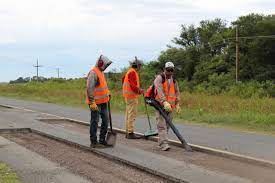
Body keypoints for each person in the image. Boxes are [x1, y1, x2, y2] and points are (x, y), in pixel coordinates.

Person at [153, 62, 181, 151]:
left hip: (170, 107)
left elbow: (177, 92)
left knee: (168, 126)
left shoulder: (174, 80)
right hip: (160, 105)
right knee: (161, 126)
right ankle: (164, 144)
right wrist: (164, 102)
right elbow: (159, 90)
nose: (170, 72)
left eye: (171, 70)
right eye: (168, 70)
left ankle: (161, 142)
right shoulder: (159, 78)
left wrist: (177, 103)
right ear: (165, 70)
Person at [86, 55, 112, 147]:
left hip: (104, 102)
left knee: (105, 120)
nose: (106, 67)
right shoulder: (93, 73)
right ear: (100, 63)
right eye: (105, 65)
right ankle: (93, 142)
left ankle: (102, 139)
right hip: (95, 103)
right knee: (95, 121)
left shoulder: (101, 72)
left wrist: (108, 92)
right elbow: (89, 88)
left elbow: (102, 86)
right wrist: (92, 102)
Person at [122, 57, 144, 139]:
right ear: (137, 66)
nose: (140, 68)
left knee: (128, 114)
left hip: (128, 95)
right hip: (131, 96)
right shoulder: (133, 72)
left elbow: (123, 80)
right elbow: (132, 85)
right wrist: (139, 91)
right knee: (132, 114)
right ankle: (130, 133)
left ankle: (128, 132)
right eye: (140, 66)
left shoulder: (129, 71)